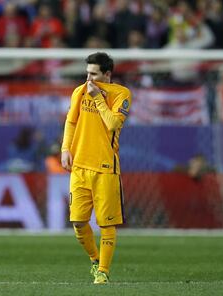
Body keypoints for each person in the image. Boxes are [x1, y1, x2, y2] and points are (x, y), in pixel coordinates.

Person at [61, 52, 132, 284]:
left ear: (107, 74)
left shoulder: (121, 94)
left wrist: (98, 98)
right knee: (78, 223)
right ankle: (95, 259)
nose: (88, 78)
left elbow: (112, 124)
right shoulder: (79, 91)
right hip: (79, 166)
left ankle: (103, 271)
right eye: (87, 72)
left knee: (106, 223)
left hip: (105, 168)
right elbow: (71, 121)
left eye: (93, 73)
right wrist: (65, 149)